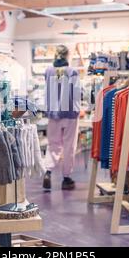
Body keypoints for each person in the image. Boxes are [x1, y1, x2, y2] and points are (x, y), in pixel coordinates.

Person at [42, 45, 82, 190]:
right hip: (70, 113)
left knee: (53, 144)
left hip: (53, 114)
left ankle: (47, 171)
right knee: (69, 145)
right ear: (68, 55)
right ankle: (66, 178)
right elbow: (77, 92)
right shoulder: (72, 72)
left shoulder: (48, 71)